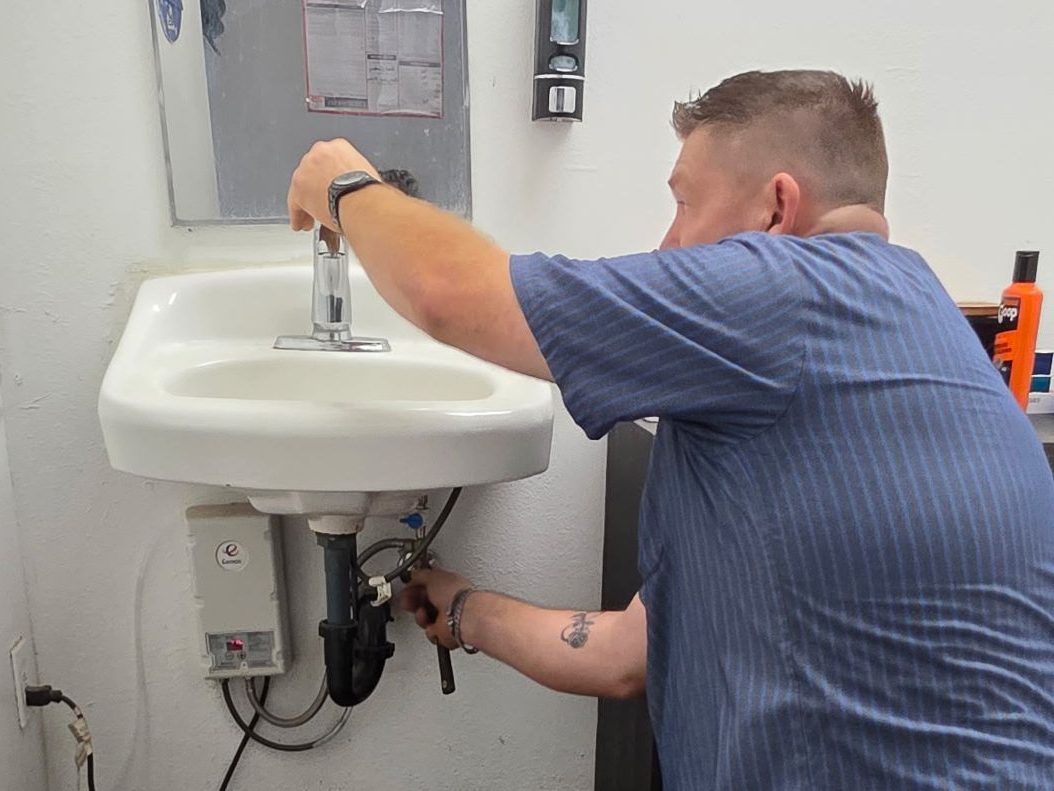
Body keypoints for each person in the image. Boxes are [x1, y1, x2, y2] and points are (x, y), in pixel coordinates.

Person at [287, 70, 1054, 789]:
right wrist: (465, 611)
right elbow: (628, 655)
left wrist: (347, 186)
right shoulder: (917, 321)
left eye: (684, 203)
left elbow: (448, 293)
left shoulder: (784, 295)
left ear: (775, 208)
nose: (665, 244)